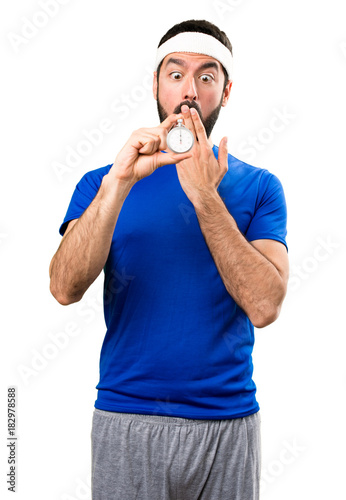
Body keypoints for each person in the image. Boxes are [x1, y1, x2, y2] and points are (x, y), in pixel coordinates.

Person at [49, 19, 289, 500]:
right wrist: (118, 184)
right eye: (175, 74)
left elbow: (265, 307)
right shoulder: (103, 182)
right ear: (155, 84)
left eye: (206, 76)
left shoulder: (261, 187)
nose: (190, 90)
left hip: (227, 422)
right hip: (126, 418)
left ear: (225, 90)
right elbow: (63, 287)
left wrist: (204, 197)